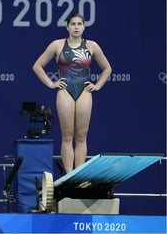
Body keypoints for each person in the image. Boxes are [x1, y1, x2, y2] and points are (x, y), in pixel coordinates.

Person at [32, 13, 112, 173]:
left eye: (79, 24)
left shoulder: (91, 46)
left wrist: (97, 86)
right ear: (67, 27)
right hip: (65, 92)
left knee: (81, 135)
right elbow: (37, 66)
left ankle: (79, 175)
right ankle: (69, 176)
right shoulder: (57, 45)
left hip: (84, 92)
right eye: (73, 24)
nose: (76, 27)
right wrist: (51, 83)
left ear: (84, 27)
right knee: (67, 135)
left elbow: (107, 68)